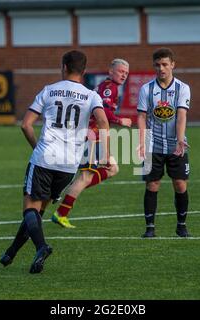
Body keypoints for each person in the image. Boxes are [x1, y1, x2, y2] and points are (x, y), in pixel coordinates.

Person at [0, 50, 109, 273]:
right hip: (68, 165)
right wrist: (102, 153)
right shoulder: (91, 95)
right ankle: (11, 252)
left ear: (64, 67)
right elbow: (103, 122)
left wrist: (36, 147)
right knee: (37, 213)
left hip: (44, 159)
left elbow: (25, 125)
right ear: (84, 71)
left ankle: (41, 247)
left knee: (30, 209)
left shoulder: (49, 91)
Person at [50, 58, 132, 228]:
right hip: (91, 135)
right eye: (120, 71)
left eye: (126, 73)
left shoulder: (107, 85)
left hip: (92, 134)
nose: (123, 75)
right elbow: (105, 113)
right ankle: (61, 212)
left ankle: (68, 194)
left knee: (112, 169)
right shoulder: (110, 88)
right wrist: (120, 120)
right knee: (86, 176)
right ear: (111, 71)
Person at [137, 48, 192, 238]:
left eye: (165, 64)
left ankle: (181, 225)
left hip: (177, 144)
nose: (161, 68)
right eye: (158, 65)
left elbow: (181, 116)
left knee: (180, 184)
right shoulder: (146, 89)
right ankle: (150, 228)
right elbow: (142, 117)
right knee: (152, 185)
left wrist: (179, 140)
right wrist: (142, 142)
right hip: (153, 145)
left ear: (172, 65)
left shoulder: (182, 88)